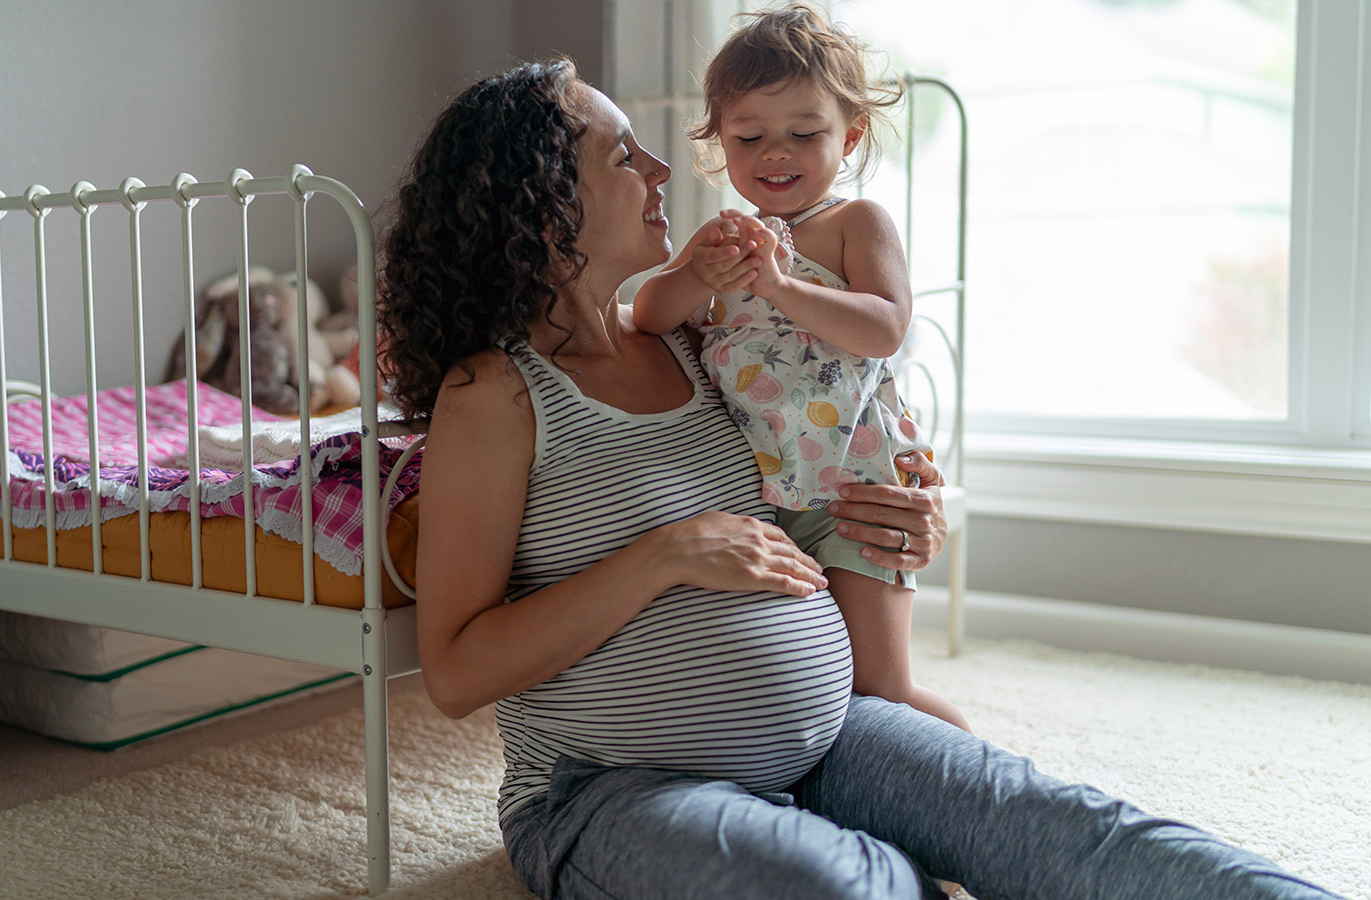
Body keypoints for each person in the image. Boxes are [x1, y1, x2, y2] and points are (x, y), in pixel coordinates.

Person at [377, 57, 1340, 900]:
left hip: (836, 738)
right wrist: (662, 557)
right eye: (625, 155)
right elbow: (458, 673)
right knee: (823, 884)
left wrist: (895, 514)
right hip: (614, 789)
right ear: (546, 201)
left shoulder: (694, 338)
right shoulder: (495, 393)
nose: (665, 167)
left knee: (1065, 828)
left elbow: (807, 472)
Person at [632, 5, 966, 731]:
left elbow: (885, 327)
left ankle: (977, 780)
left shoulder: (856, 223)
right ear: (720, 143)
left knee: (881, 691)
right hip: (755, 500)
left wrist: (781, 286)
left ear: (849, 135)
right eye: (749, 136)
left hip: (857, 487)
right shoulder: (722, 239)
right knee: (796, 689)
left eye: (804, 133)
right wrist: (701, 276)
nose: (775, 153)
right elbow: (650, 314)